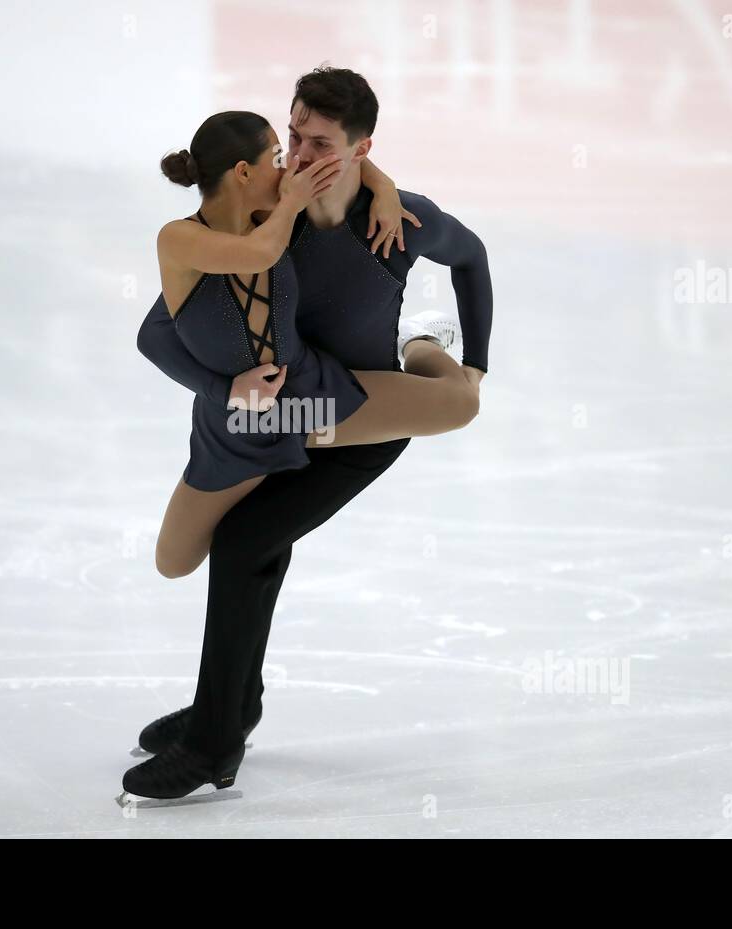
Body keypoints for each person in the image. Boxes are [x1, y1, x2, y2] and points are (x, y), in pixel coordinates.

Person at [126, 67, 493, 801]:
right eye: (291, 137)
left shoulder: (398, 220)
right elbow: (162, 325)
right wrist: (223, 392)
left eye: (318, 142)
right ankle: (231, 708)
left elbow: (473, 257)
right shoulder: (272, 221)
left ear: (360, 149)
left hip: (352, 419)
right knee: (233, 551)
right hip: (279, 414)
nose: (296, 155)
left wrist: (475, 363)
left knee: (245, 544)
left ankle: (213, 742)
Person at [153, 111, 483, 583]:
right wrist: (222, 390)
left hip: (308, 401)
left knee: (461, 404)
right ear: (244, 172)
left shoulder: (273, 215)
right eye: (277, 157)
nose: (291, 169)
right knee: (174, 563)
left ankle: (417, 339)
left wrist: (381, 183)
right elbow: (251, 260)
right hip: (237, 426)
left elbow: (342, 159)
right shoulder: (182, 239)